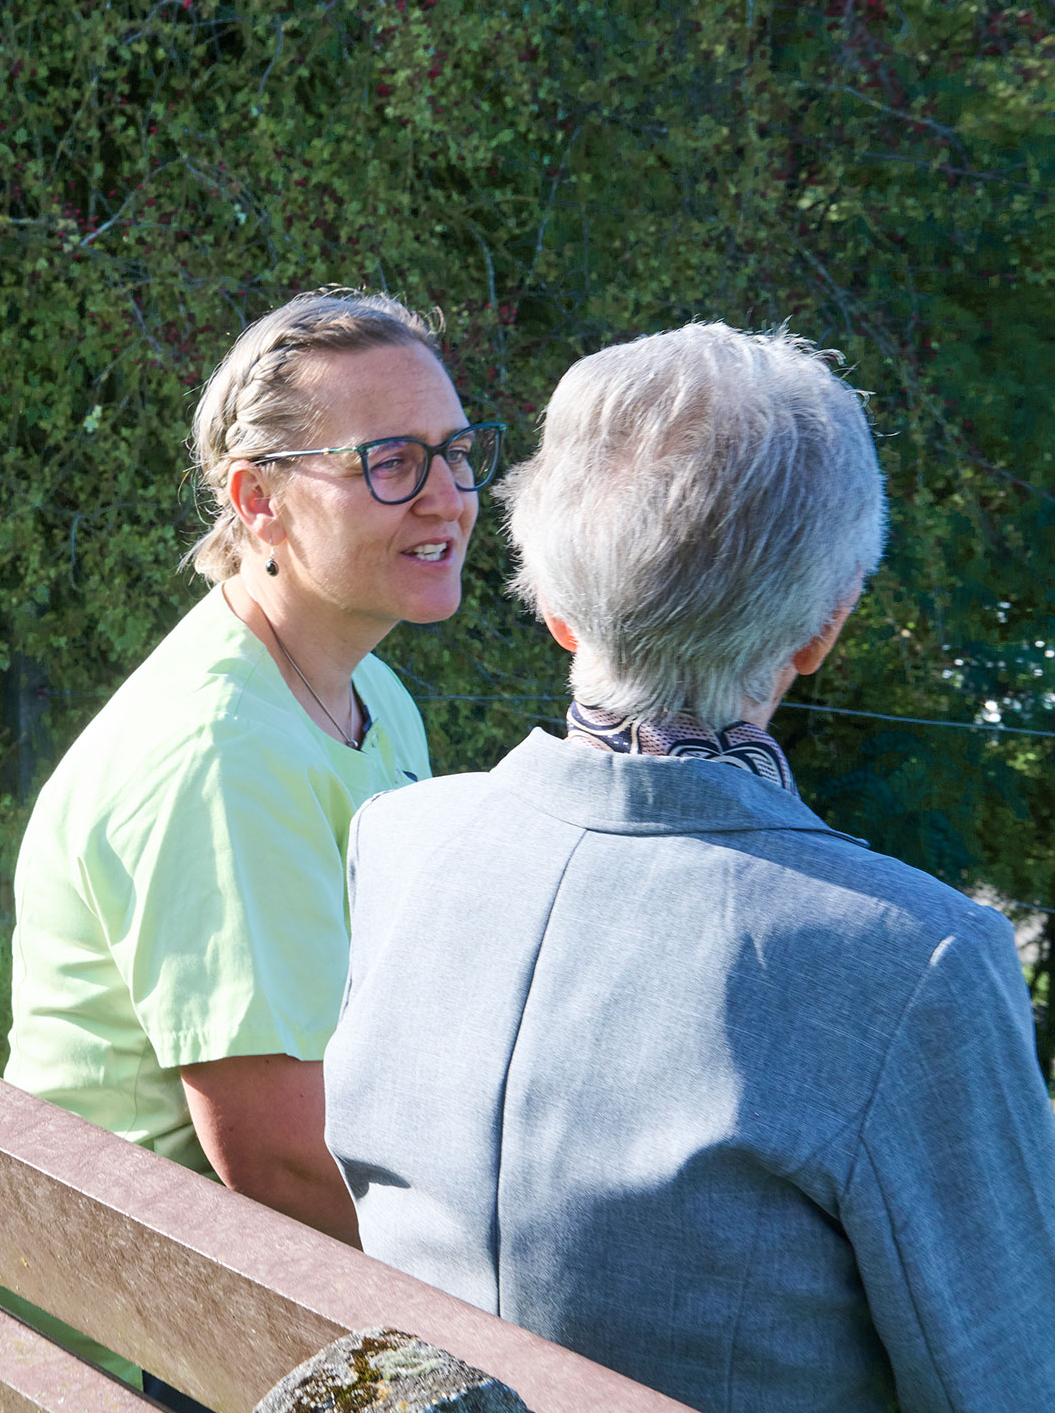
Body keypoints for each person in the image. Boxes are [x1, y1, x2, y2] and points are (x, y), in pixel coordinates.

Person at [323, 322, 1055, 1413]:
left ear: (557, 610)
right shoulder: (910, 961)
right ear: (822, 625)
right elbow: (1006, 1381)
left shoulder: (403, 843)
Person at [4, 288, 503, 1399]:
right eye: (388, 461)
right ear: (256, 501)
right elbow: (277, 1162)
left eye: (455, 453)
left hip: (196, 1302)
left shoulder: (367, 690)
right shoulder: (220, 753)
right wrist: (504, 1304)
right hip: (142, 1341)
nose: (447, 497)